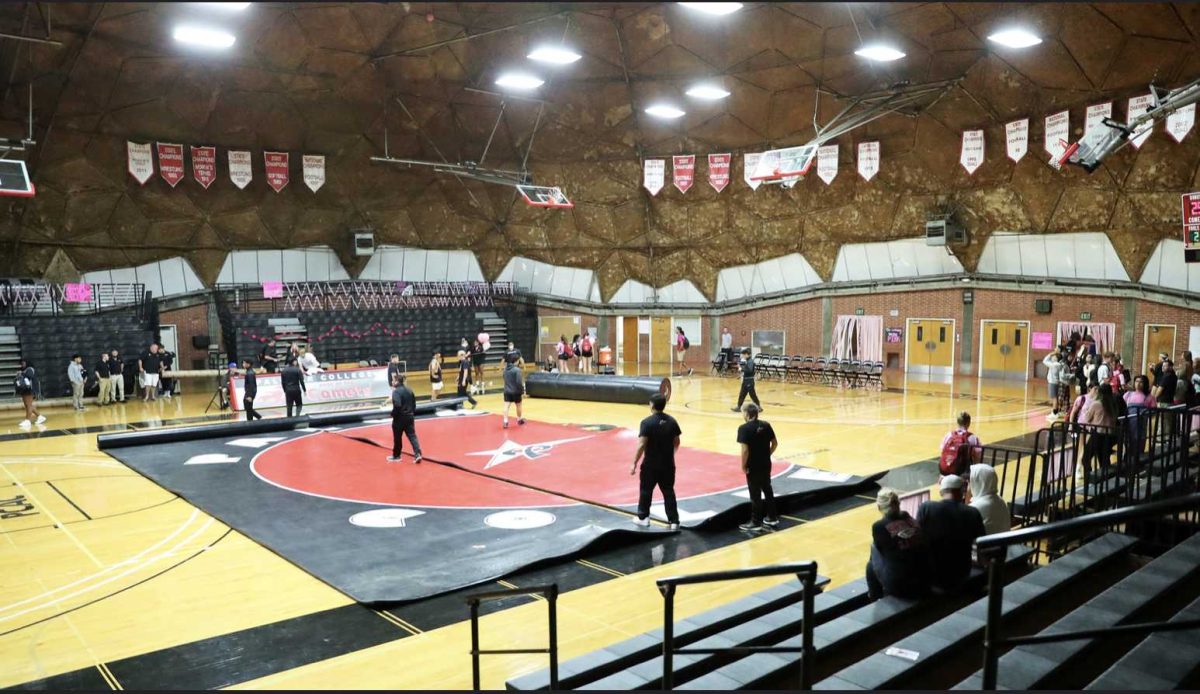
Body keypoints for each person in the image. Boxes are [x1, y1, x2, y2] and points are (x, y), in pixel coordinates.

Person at [916, 474, 985, 594]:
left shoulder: (926, 508)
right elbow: (982, 545)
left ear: (942, 492)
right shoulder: (972, 512)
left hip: (932, 575)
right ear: (961, 492)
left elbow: (916, 538)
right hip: (961, 573)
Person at [865, 489, 931, 600]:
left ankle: (874, 597)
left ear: (879, 507)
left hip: (902, 585)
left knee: (871, 561)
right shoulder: (907, 516)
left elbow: (881, 552)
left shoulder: (879, 526)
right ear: (899, 503)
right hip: (926, 576)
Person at [630, 392, 681, 530]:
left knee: (646, 490)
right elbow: (677, 442)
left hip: (650, 464)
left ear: (651, 405)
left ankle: (643, 517)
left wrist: (634, 462)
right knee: (668, 491)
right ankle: (674, 521)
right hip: (668, 464)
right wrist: (671, 455)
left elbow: (641, 444)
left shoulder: (646, 423)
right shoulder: (672, 421)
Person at [737, 403, 779, 532]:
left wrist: (743, 465)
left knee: (755, 494)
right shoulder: (766, 425)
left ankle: (756, 522)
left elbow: (745, 451)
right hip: (766, 463)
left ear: (746, 414)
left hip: (753, 465)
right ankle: (772, 517)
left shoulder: (743, 428)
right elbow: (775, 443)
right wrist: (767, 454)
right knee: (767, 489)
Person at [1080, 383, 1119, 481]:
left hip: (1097, 434)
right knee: (1104, 460)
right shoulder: (1113, 404)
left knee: (1086, 458)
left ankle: (1089, 479)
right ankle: (1107, 482)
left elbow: (1087, 418)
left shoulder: (1096, 404)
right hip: (1109, 435)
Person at [387, 374, 422, 464]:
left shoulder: (396, 392)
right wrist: (411, 412)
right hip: (410, 416)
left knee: (397, 437)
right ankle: (418, 454)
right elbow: (414, 404)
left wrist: (393, 414)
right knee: (412, 436)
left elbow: (397, 405)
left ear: (397, 381)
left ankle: (396, 455)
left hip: (399, 418)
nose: (392, 382)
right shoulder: (409, 390)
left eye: (393, 380)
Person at [967, 464, 1010, 535]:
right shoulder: (1000, 500)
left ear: (979, 482)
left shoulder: (976, 507)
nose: (968, 486)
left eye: (969, 482)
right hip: (1002, 544)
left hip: (986, 545)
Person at [938, 411, 982, 477]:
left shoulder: (949, 435)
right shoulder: (972, 437)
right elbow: (978, 456)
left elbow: (942, 451)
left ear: (957, 422)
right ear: (968, 423)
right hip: (962, 472)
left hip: (945, 471)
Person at [14, 359, 45, 429]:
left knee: (28, 405)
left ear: (28, 363)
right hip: (25, 389)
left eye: (24, 363)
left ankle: (27, 420)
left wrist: (21, 373)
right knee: (27, 405)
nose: (22, 364)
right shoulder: (25, 370)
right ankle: (40, 417)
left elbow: (29, 376)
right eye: (22, 363)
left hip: (30, 389)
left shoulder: (30, 369)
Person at [502, 360, 526, 429]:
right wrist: (522, 391)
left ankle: (505, 421)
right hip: (516, 391)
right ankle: (519, 420)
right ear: (515, 361)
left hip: (507, 390)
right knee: (518, 405)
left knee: (506, 406)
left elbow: (504, 377)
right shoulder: (517, 370)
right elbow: (519, 382)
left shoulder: (505, 369)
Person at [1043, 351, 1063, 419]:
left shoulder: (1054, 365)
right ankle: (1056, 412)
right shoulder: (1058, 364)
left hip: (1053, 382)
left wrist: (1051, 353)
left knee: (1054, 398)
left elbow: (1045, 360)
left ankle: (1054, 413)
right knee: (1055, 398)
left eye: (1054, 356)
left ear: (1056, 358)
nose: (1052, 357)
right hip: (1055, 382)